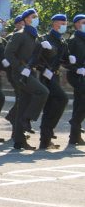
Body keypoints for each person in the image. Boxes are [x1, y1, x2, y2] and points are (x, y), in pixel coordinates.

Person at [4, 8, 49, 150]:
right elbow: (8, 53)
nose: (36, 18)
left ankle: (19, 141)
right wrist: (19, 67)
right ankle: (27, 119)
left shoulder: (36, 36)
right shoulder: (20, 35)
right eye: (33, 16)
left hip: (30, 72)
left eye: (36, 16)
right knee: (43, 92)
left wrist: (49, 48)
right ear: (26, 20)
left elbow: (42, 56)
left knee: (23, 104)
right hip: (21, 74)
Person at [32, 14, 70, 149]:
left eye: (65, 23)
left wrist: (71, 62)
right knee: (62, 99)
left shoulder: (62, 41)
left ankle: (45, 140)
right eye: (62, 23)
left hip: (55, 76)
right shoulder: (45, 39)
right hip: (46, 77)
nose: (64, 25)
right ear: (54, 24)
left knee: (50, 107)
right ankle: (47, 134)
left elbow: (64, 60)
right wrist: (43, 70)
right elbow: (36, 59)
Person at [4, 14, 25, 135]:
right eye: (21, 23)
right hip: (14, 72)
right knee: (21, 98)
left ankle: (14, 120)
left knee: (21, 98)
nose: (23, 25)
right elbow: (7, 53)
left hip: (22, 71)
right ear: (17, 24)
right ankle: (15, 125)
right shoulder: (11, 36)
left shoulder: (25, 36)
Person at [67, 14, 85, 145]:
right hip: (76, 75)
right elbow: (65, 60)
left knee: (78, 103)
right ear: (77, 24)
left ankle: (75, 136)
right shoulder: (73, 40)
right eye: (83, 22)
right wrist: (76, 69)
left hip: (83, 75)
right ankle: (75, 122)